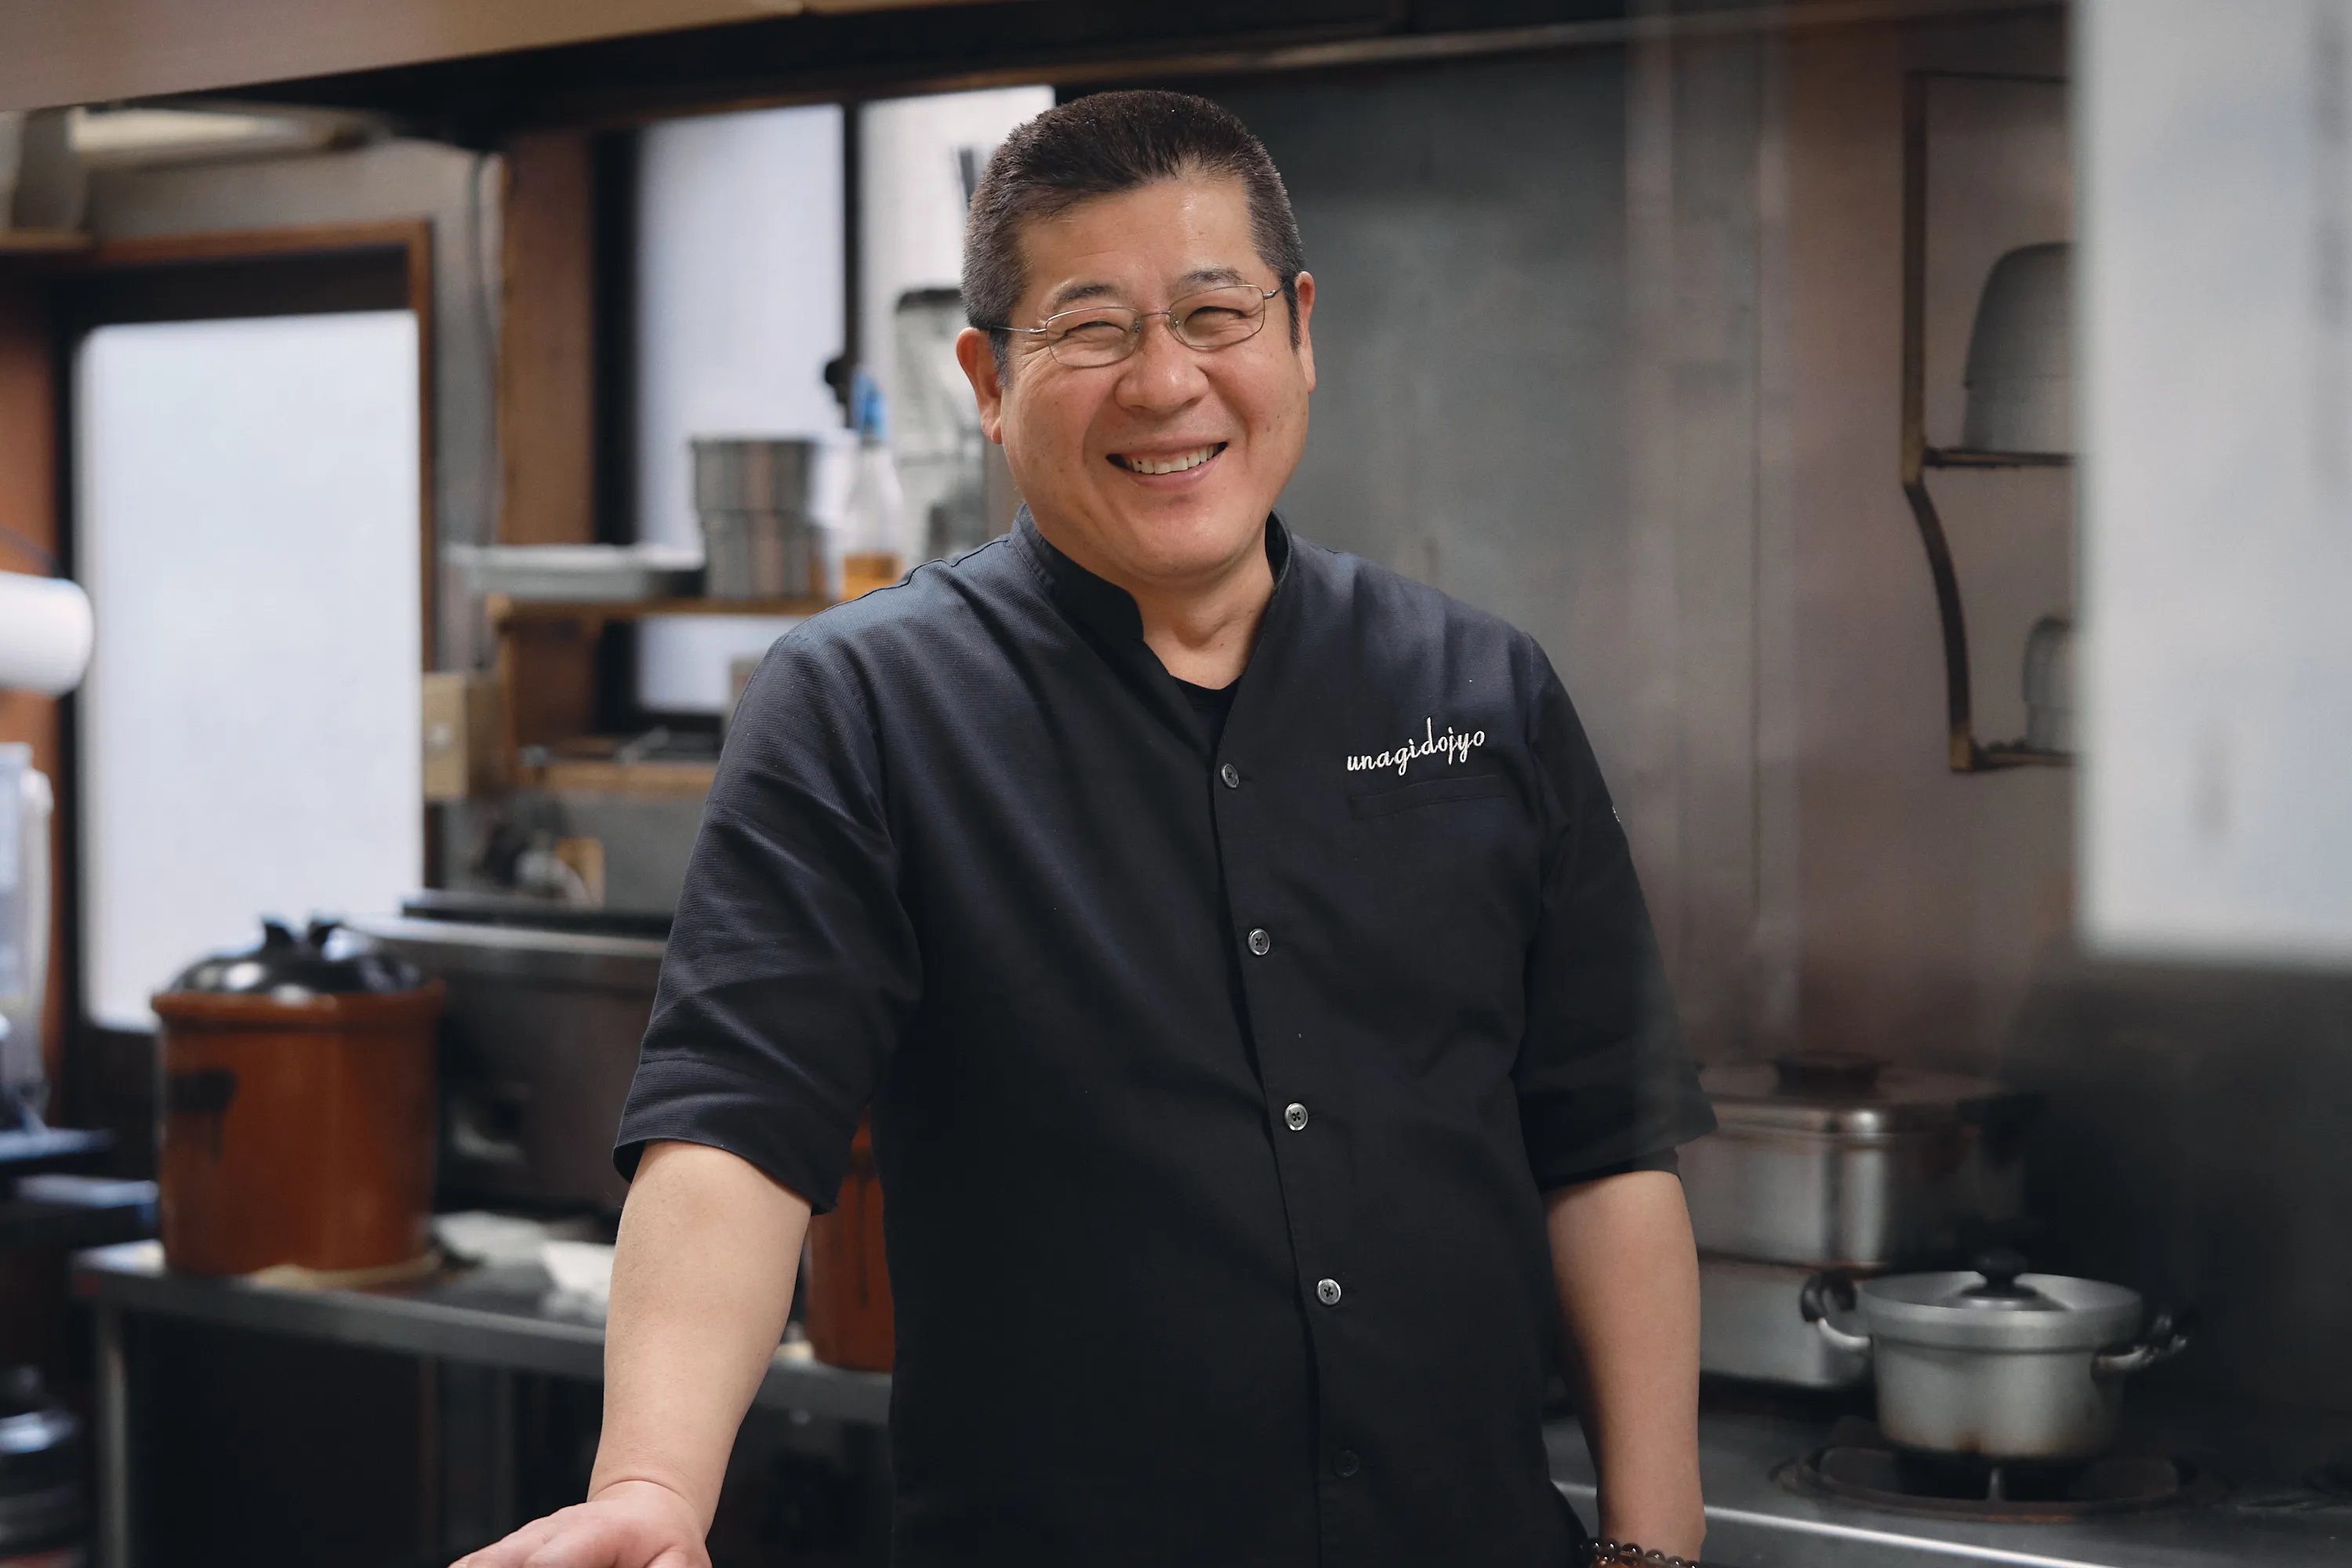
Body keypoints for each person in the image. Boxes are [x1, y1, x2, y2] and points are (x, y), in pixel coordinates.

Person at [460, 89, 1715, 1568]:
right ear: (988, 381)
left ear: (1301, 331)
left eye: (1215, 314)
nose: (1166, 381)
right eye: (1093, 329)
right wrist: (654, 1485)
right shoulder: (866, 706)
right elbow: (736, 1130)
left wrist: (1654, 1549)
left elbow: (1605, 1146)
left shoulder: (1481, 689)